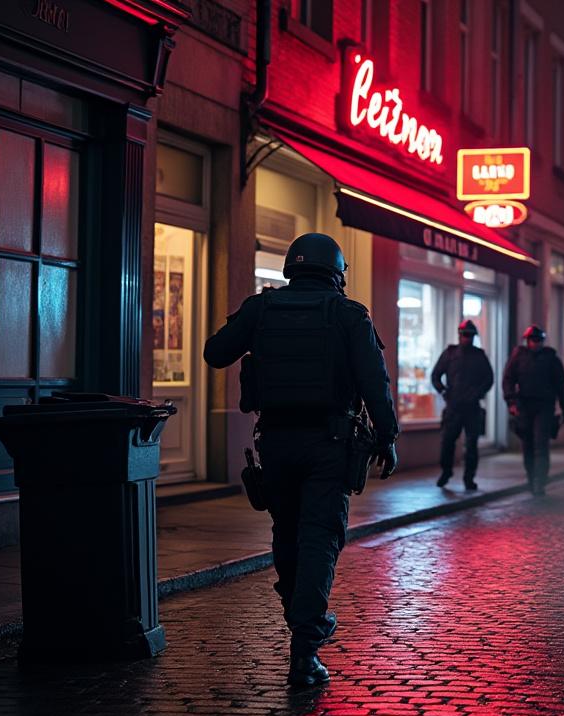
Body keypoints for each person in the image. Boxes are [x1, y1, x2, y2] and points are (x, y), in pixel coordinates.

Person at [203, 233, 398, 687]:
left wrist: (254, 331)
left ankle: (302, 620)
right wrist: (387, 438)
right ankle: (305, 650)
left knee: (287, 534)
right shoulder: (349, 315)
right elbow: (375, 382)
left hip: (275, 441)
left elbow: (215, 353)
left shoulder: (261, 308)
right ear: (337, 272)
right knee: (319, 538)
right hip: (329, 444)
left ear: (292, 267)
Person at [501, 326, 564, 496]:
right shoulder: (518, 357)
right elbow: (508, 380)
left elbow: (561, 385)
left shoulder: (551, 359)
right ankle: (532, 478)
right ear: (527, 341)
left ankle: (540, 481)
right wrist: (511, 401)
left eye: (538, 340)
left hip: (544, 407)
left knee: (541, 445)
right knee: (528, 446)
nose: (535, 344)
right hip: (524, 407)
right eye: (533, 340)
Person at [431, 319, 494, 490]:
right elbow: (436, 375)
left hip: (472, 407)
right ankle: (446, 472)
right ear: (460, 335)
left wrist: (478, 393)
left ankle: (469, 478)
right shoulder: (450, 354)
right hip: (454, 406)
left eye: (470, 336)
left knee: (472, 444)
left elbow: (489, 378)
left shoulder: (479, 355)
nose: (467, 338)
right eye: (465, 335)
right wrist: (443, 391)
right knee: (447, 442)